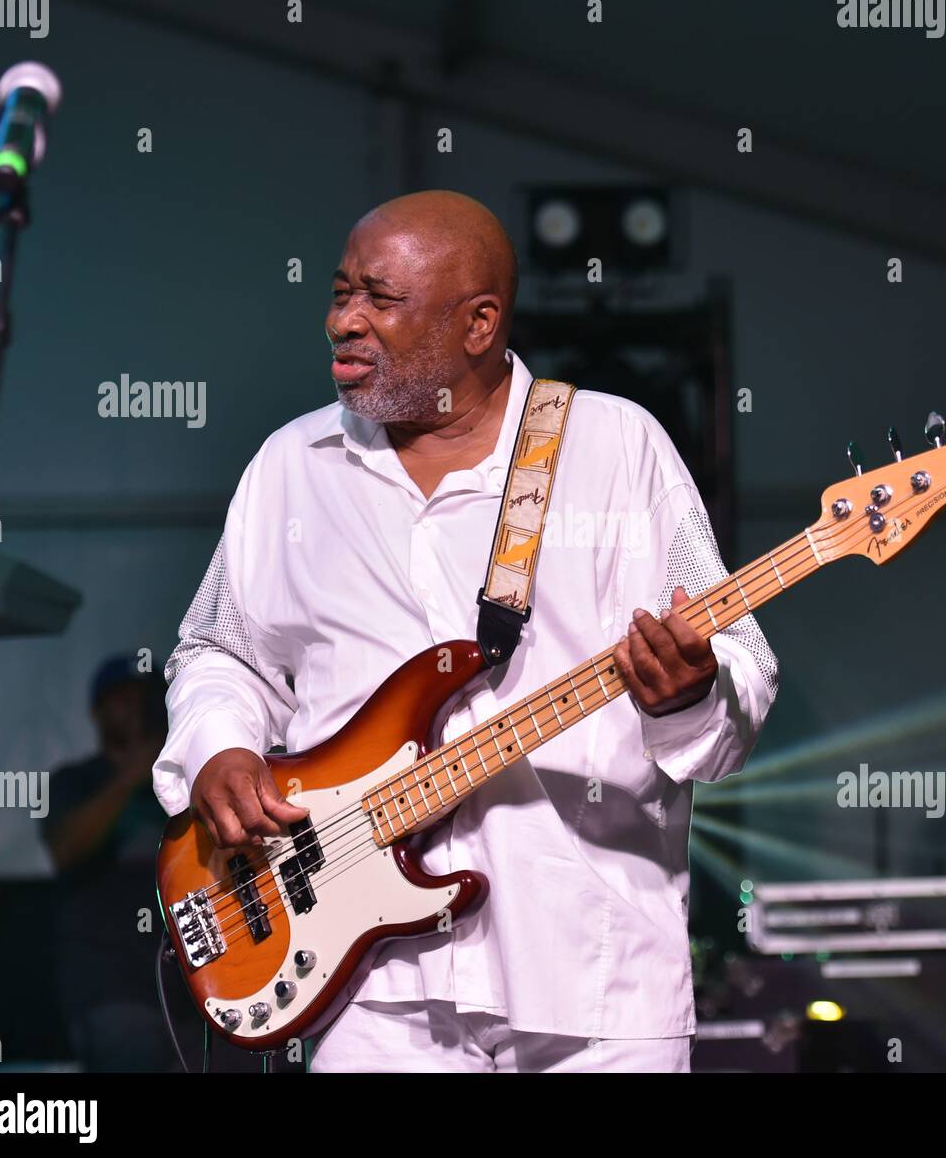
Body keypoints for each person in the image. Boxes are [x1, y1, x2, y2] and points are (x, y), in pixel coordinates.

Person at [152, 190, 778, 1072]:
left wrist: (689, 695)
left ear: (480, 322)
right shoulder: (290, 468)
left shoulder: (614, 448)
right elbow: (219, 650)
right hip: (365, 981)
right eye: (339, 294)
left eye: (379, 298)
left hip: (593, 977)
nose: (344, 321)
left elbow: (742, 667)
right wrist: (220, 746)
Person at [41, 656, 174, 1071]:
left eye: (145, 699)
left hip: (191, 984)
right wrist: (130, 774)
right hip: (111, 987)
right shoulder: (73, 780)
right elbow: (66, 849)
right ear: (97, 712)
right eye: (122, 700)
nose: (135, 709)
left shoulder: (180, 777)